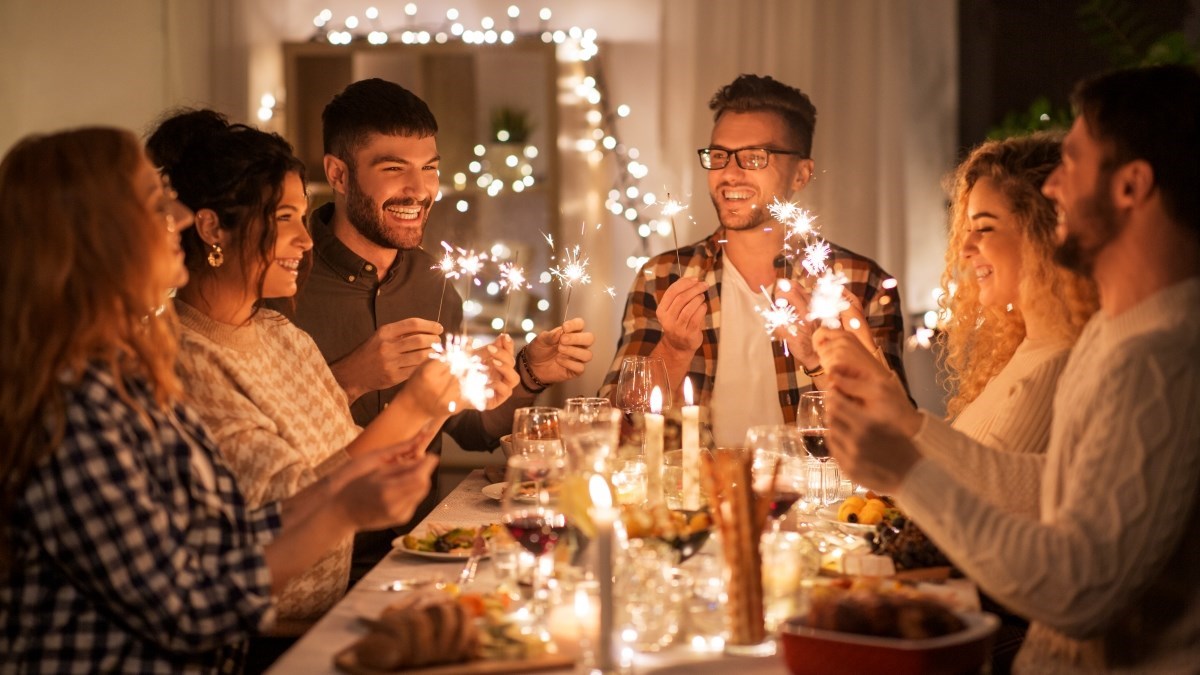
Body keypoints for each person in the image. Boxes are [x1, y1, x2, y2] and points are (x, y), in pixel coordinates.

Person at [0, 127, 439, 672]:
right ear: (92, 235)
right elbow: (186, 607)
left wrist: (355, 484)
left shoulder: (126, 376)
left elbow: (224, 536)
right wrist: (344, 506)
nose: (179, 217)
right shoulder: (74, 407)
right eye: (153, 201)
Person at [819, 64, 1200, 672]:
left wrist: (909, 474)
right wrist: (912, 428)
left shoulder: (1161, 358)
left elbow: (1081, 591)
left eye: (1072, 164)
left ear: (1131, 186)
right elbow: (1048, 490)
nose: (1053, 190)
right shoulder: (1116, 331)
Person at [146, 110, 502, 632]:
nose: (305, 239)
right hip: (261, 638)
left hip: (334, 613)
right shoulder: (179, 357)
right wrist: (415, 405)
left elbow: (354, 454)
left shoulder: (282, 334)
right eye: (285, 218)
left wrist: (452, 398)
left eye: (301, 216)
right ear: (211, 228)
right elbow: (287, 507)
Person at [275, 78, 595, 570]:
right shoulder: (284, 278)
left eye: (429, 168)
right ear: (338, 174)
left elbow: (466, 428)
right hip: (309, 559)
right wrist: (354, 376)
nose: (420, 190)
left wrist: (530, 372)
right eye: (394, 169)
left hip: (421, 552)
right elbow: (264, 447)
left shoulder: (433, 280)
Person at [598, 74, 907, 446]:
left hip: (819, 503)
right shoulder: (663, 277)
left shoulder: (856, 283)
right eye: (719, 156)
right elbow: (613, 430)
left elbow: (894, 439)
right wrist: (674, 350)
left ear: (801, 174)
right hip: (695, 500)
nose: (729, 173)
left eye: (754, 157)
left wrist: (820, 362)